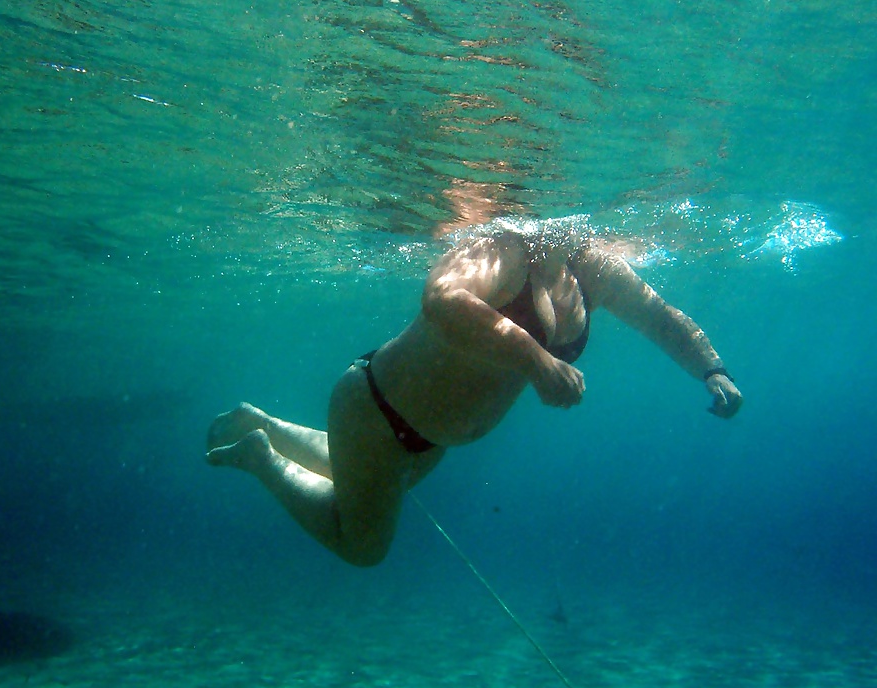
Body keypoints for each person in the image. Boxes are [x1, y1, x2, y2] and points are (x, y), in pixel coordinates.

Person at [206, 220, 743, 567]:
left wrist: (711, 370)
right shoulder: (504, 246)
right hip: (374, 406)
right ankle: (261, 458)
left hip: (425, 437)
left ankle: (268, 426)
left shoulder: (595, 267)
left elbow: (659, 316)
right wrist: (536, 361)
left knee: (369, 476)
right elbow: (441, 300)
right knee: (363, 547)